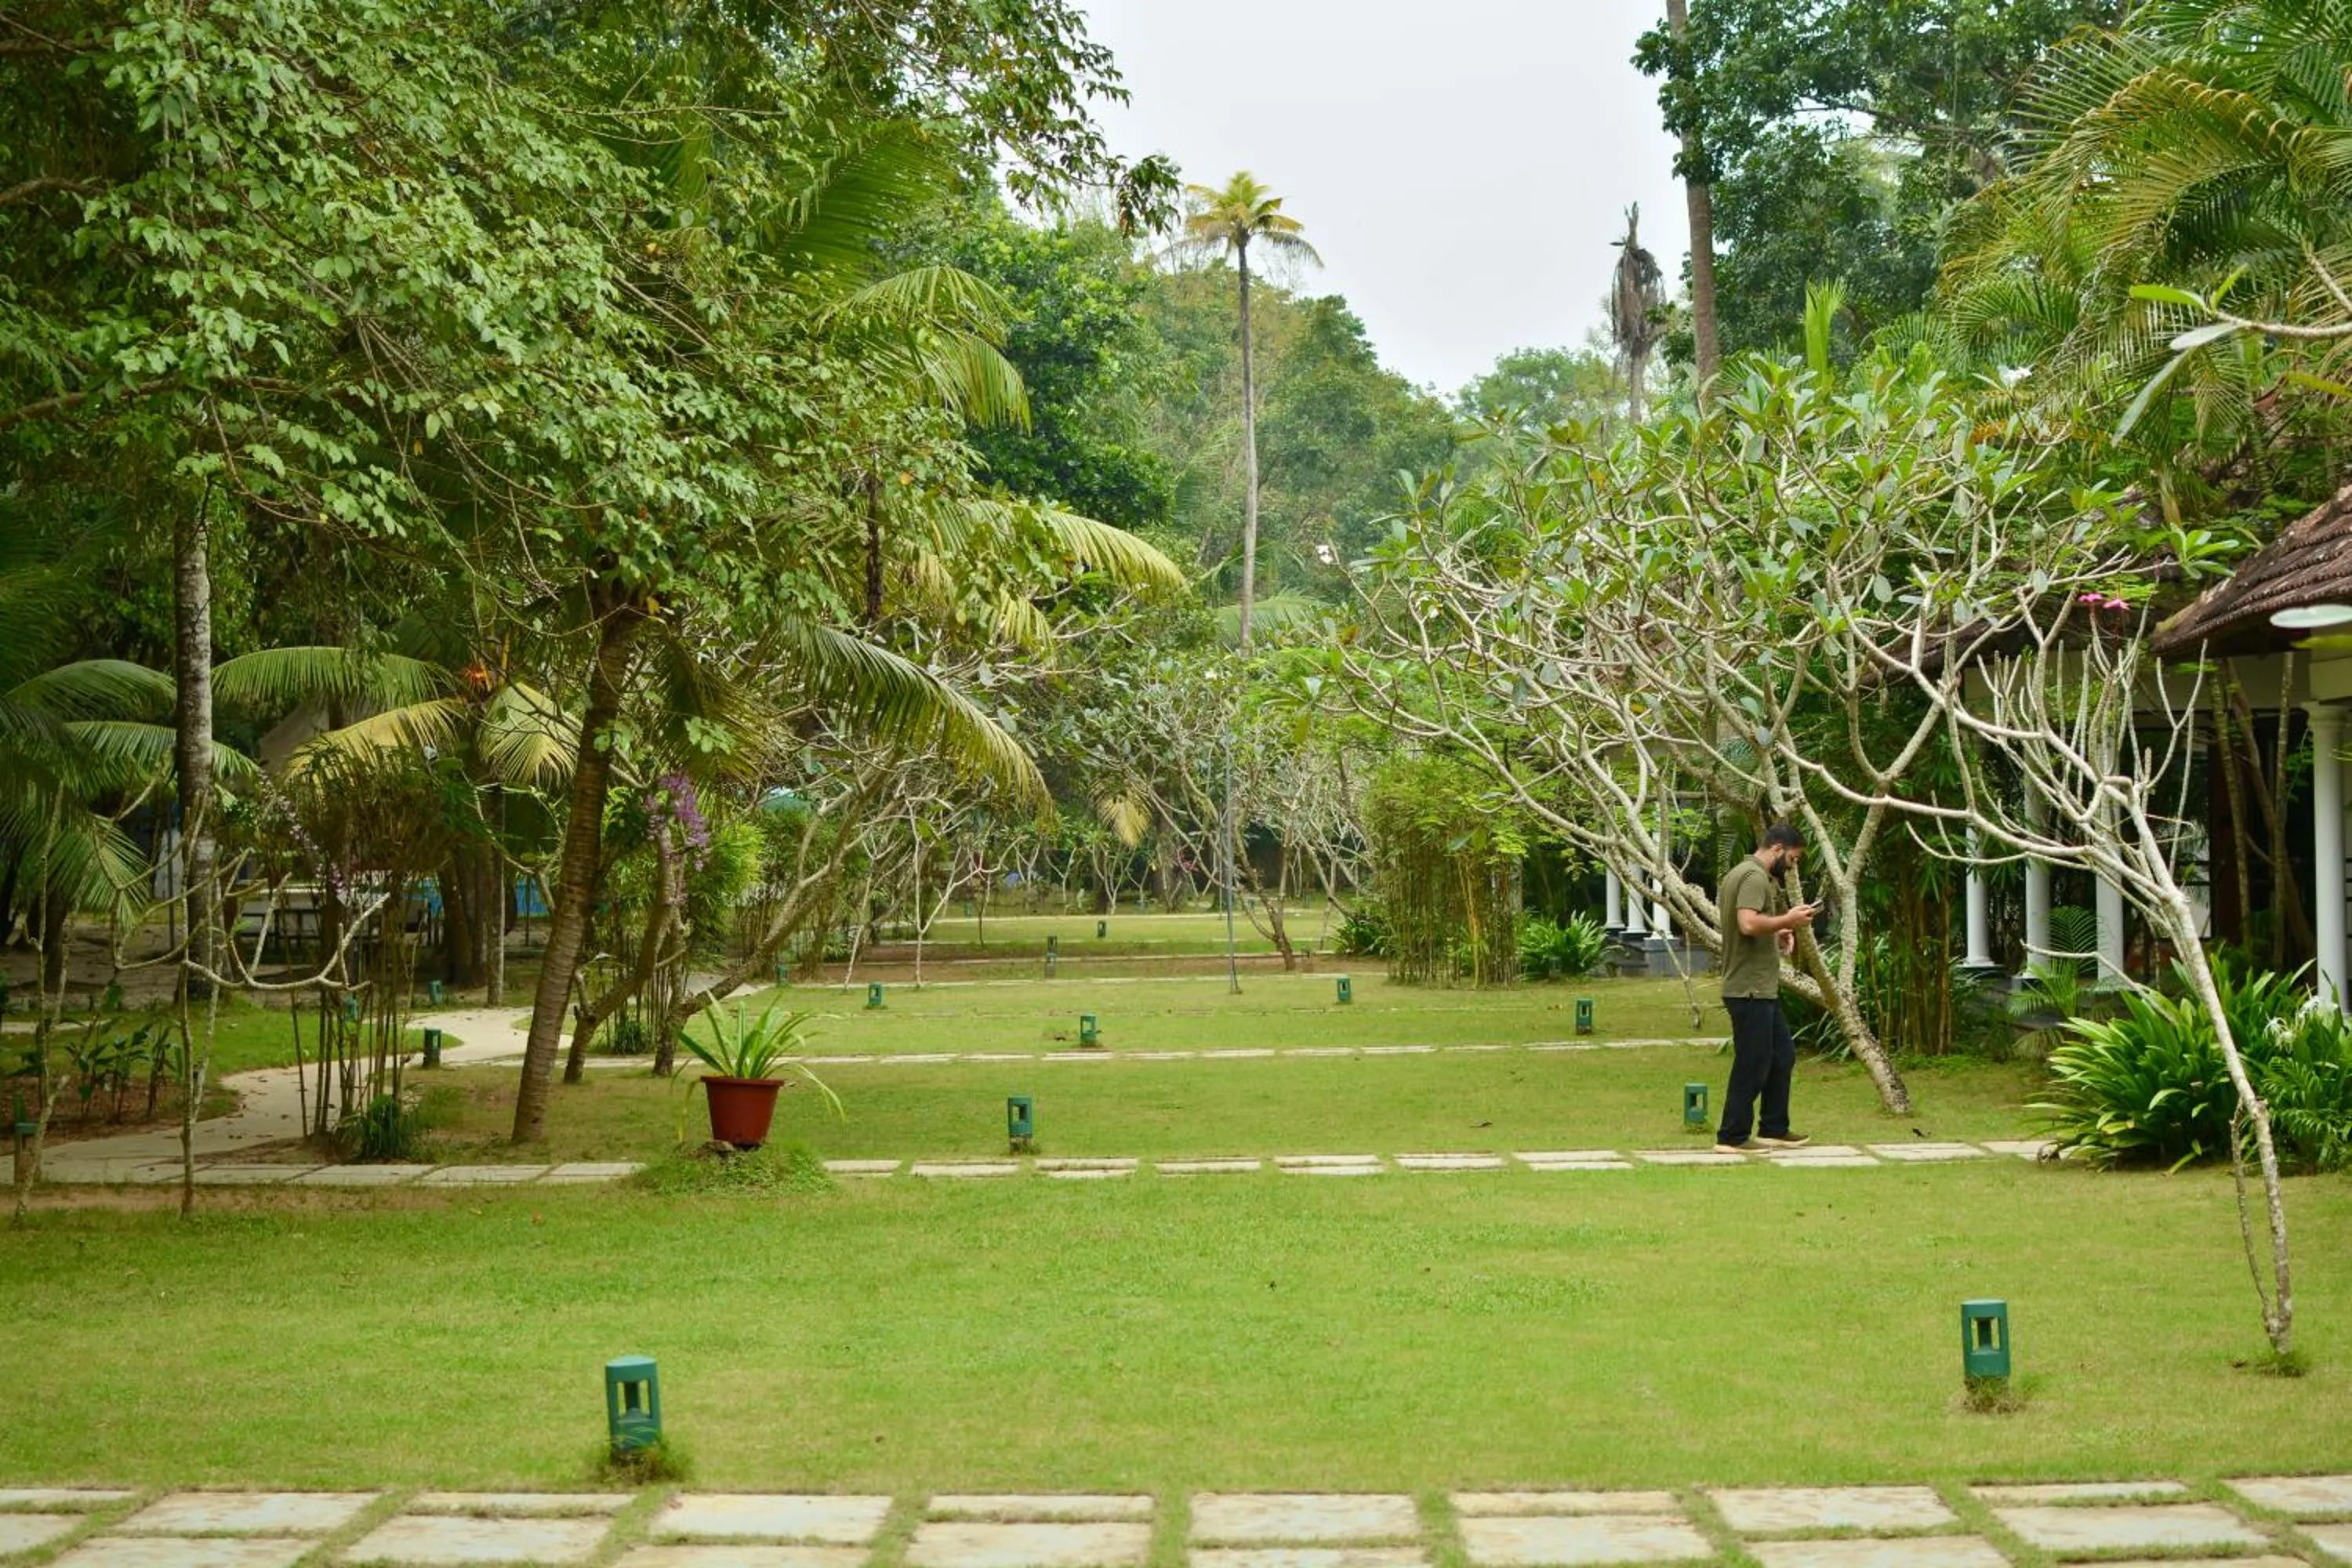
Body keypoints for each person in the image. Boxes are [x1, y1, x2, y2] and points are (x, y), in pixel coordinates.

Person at [1715, 822, 1820, 1153]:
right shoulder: (1754, 877)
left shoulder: (1742, 873)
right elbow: (1747, 923)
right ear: (1777, 848)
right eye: (1793, 859)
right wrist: (1789, 920)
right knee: (1753, 1062)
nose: (1792, 866)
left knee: (1781, 1056)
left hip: (1760, 987)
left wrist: (1776, 931)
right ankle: (1732, 1136)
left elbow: (1748, 926)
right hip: (1748, 988)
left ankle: (1774, 1128)